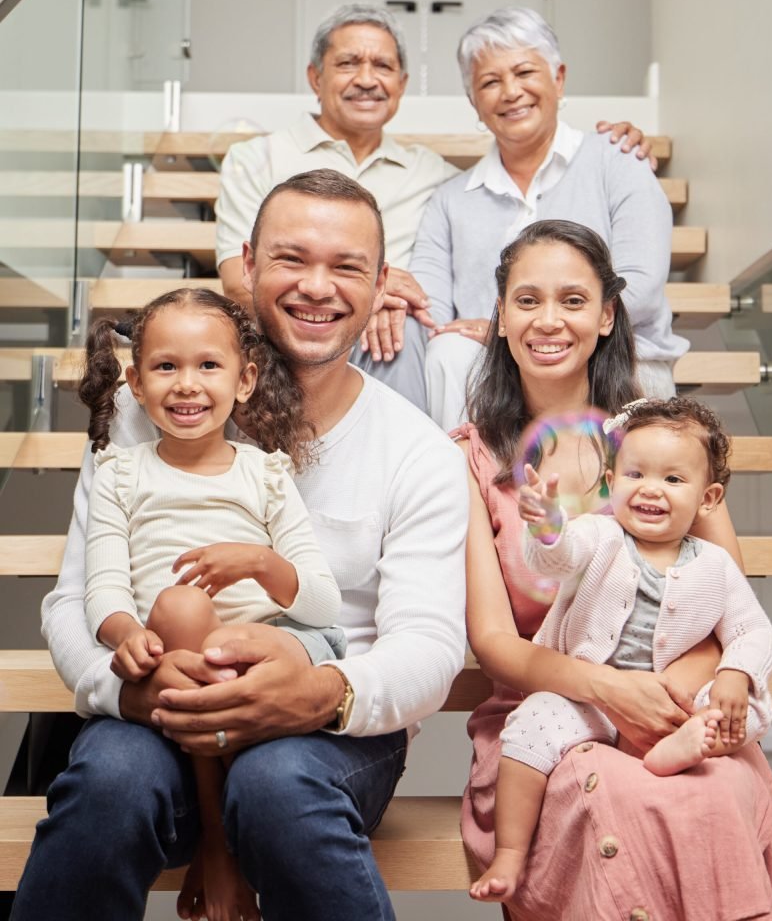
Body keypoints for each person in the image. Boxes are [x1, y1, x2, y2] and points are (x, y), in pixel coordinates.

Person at [12, 169, 469, 921]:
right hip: (161, 707)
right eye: (292, 259)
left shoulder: (416, 452)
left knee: (278, 782)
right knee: (108, 782)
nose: (317, 286)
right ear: (248, 265)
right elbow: (77, 594)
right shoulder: (143, 415)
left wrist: (323, 694)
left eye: (346, 266)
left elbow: (427, 644)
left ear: (381, 283)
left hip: (330, 732)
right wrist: (125, 686)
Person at [456, 219, 772, 921]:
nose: (549, 320)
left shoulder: (663, 444)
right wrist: (611, 692)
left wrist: (663, 698)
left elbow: (726, 598)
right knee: (618, 796)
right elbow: (493, 644)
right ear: (502, 318)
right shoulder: (470, 458)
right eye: (527, 300)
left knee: (712, 791)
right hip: (546, 715)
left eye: (573, 301)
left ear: (606, 315)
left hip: (680, 703)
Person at [215, 3, 651, 411]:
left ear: (402, 85)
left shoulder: (434, 175)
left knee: (402, 331)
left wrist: (380, 298)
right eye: (348, 63)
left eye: (383, 66)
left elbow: (428, 299)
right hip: (295, 331)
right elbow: (241, 283)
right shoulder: (258, 159)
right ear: (315, 77)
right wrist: (370, 295)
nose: (367, 79)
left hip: (389, 342)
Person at [79, 287, 343, 921]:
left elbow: (324, 603)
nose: (187, 385)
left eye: (208, 366)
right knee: (176, 608)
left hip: (263, 654)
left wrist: (257, 560)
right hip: (171, 657)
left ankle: (215, 838)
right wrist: (124, 635)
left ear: (245, 380)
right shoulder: (120, 473)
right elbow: (104, 588)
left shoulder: (266, 475)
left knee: (185, 610)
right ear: (136, 385)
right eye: (166, 367)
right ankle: (220, 841)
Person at [471, 396, 772, 904]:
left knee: (731, 719)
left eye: (674, 480)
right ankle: (510, 852)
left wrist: (735, 674)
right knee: (532, 724)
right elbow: (558, 557)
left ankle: (675, 752)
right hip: (589, 699)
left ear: (708, 497)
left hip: (673, 706)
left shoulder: (716, 567)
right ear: (612, 484)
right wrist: (547, 526)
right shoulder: (601, 536)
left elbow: (753, 630)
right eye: (636, 474)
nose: (651, 489)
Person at [409, 6, 689, 430]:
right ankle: (466, 490)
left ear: (558, 79)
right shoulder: (450, 201)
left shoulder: (618, 161)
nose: (510, 91)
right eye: (489, 82)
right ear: (473, 102)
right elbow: (431, 313)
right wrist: (508, 338)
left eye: (524, 72)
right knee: (447, 352)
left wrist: (532, 327)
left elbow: (642, 288)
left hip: (620, 364)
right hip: (499, 373)